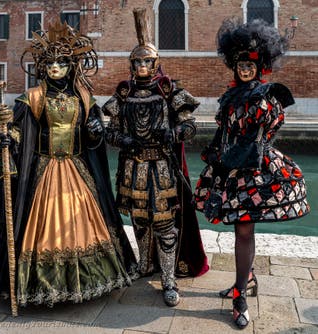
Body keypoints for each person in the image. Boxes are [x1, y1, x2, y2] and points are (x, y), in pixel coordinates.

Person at [0, 19, 138, 307]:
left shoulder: (84, 98)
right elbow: (18, 131)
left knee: (83, 222)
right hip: (44, 169)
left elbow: (92, 138)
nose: (55, 68)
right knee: (41, 224)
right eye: (50, 63)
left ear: (70, 66)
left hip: (77, 170)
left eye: (61, 63)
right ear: (42, 67)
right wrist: (7, 139)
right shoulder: (33, 98)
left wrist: (94, 132)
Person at [194, 17, 310, 329]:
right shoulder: (230, 97)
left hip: (256, 171)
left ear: (260, 67)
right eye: (240, 65)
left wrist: (250, 144)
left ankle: (240, 296)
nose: (245, 69)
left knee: (244, 230)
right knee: (238, 227)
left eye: (250, 65)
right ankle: (247, 279)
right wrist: (216, 159)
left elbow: (267, 130)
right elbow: (224, 133)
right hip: (230, 170)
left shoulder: (267, 95)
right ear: (234, 66)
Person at [103, 8, 209, 307]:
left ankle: (169, 277)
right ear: (131, 64)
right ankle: (144, 265)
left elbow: (189, 124)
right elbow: (111, 131)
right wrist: (122, 139)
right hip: (132, 167)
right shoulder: (123, 94)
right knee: (139, 219)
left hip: (162, 167)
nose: (141, 66)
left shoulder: (168, 90)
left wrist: (173, 134)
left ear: (155, 63)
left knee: (164, 223)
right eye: (137, 61)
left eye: (147, 61)